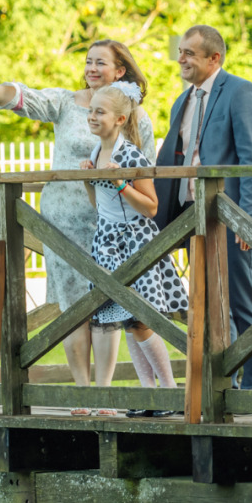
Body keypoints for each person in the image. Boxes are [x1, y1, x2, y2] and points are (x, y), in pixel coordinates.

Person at [0, 41, 157, 404]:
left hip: (112, 226)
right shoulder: (65, 103)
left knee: (107, 304)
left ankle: (104, 395)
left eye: (101, 63)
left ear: (120, 71)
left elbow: (146, 170)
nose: (91, 68)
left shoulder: (134, 116)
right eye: (88, 61)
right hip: (63, 223)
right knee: (72, 305)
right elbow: (17, 95)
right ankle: (83, 394)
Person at [153, 25, 252, 391]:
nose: (181, 59)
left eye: (189, 53)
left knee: (242, 302)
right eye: (180, 52)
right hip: (193, 216)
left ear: (214, 58)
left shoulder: (240, 92)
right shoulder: (182, 100)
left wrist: (247, 223)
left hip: (233, 214)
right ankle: (224, 385)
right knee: (207, 304)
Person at [79, 82, 186, 418]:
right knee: (126, 320)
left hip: (133, 241)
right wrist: (88, 179)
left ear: (120, 118)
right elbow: (99, 205)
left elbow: (151, 207)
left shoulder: (130, 155)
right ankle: (148, 393)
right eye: (91, 110)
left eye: (100, 111)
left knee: (141, 319)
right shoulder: (98, 152)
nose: (92, 116)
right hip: (107, 241)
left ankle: (169, 393)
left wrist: (122, 183)